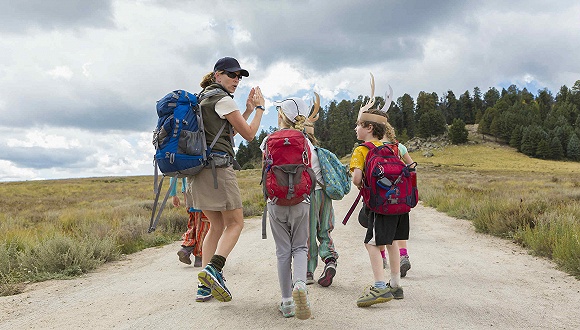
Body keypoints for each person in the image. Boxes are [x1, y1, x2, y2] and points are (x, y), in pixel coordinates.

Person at [194, 57, 265, 303]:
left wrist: (244, 110)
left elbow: (227, 131)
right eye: (231, 75)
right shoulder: (223, 99)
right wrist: (259, 109)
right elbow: (248, 134)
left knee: (216, 226)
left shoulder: (203, 98)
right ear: (217, 75)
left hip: (198, 172)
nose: (236, 80)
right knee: (235, 223)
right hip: (219, 170)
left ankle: (204, 287)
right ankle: (213, 269)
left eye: (239, 76)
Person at [350, 105, 414, 307]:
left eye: (359, 125)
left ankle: (379, 286)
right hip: (399, 205)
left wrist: (359, 181)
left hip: (381, 206)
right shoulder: (392, 148)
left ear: (369, 127)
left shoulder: (361, 150)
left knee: (372, 243)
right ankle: (395, 285)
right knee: (392, 241)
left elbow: (356, 178)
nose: (356, 129)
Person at [261, 97, 314, 319]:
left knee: (283, 252)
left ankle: (287, 302)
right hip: (301, 203)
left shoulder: (267, 140)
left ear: (281, 115)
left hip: (276, 203)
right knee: (300, 247)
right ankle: (300, 284)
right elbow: (311, 171)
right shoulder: (306, 141)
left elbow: (264, 172)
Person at [303, 112, 339, 287]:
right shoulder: (317, 150)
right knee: (325, 230)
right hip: (324, 193)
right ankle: (330, 259)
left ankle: (308, 271)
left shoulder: (299, 145)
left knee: (308, 233)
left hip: (308, 194)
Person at [170, 177, 210, 268]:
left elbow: (173, 175)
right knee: (204, 227)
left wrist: (174, 195)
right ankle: (200, 256)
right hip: (202, 192)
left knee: (193, 224)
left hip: (188, 194)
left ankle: (186, 247)